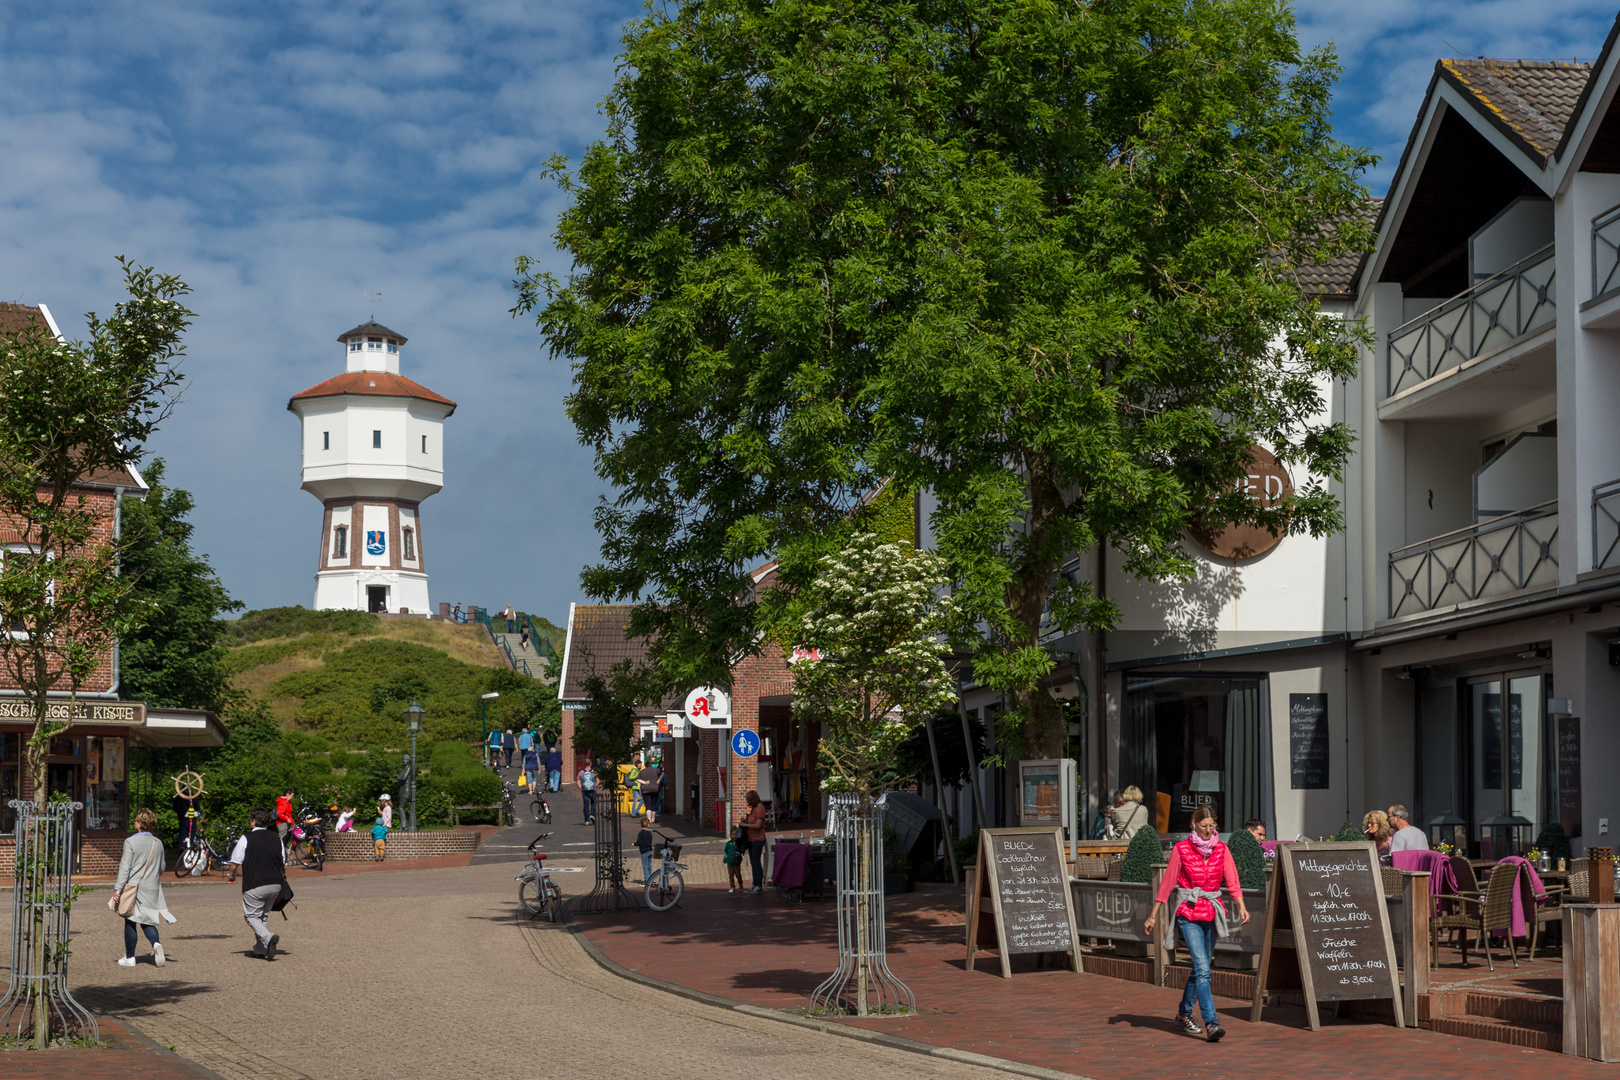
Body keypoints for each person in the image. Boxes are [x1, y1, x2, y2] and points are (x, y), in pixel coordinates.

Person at [1144, 805, 1248, 1043]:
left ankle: (1183, 1013)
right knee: (1203, 970)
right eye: (1204, 826)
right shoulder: (1182, 849)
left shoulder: (1222, 849)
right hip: (1188, 913)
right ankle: (1212, 1023)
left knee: (1200, 970)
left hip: (1211, 912)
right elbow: (1167, 884)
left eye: (1212, 826)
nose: (1208, 830)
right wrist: (1153, 915)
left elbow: (1232, 881)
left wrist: (1241, 906)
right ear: (1194, 824)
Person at [112, 807, 170, 967]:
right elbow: (162, 867)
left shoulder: (130, 842)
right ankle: (156, 944)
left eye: (136, 820)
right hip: (152, 887)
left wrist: (118, 888)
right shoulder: (158, 843)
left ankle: (130, 957)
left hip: (134, 887)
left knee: (130, 920)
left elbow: (125, 867)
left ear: (139, 824)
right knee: (148, 921)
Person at [226, 807, 284, 961]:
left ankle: (269, 937)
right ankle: (260, 949)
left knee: (251, 916)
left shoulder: (246, 838)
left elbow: (235, 861)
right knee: (262, 917)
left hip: (255, 884)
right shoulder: (276, 838)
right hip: (275, 884)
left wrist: (230, 875)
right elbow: (282, 860)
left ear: (253, 822)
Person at [740, 789, 767, 894]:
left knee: (756, 862)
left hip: (757, 839)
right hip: (751, 839)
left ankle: (758, 884)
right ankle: (754, 883)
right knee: (753, 862)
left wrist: (745, 825)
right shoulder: (754, 809)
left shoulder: (760, 809)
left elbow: (758, 825)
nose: (748, 802)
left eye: (749, 800)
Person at [634, 812, 656, 882]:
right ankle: (651, 879)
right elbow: (650, 840)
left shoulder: (641, 833)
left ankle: (647, 880)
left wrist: (634, 844)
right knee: (649, 866)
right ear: (648, 825)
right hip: (650, 850)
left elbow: (639, 842)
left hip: (644, 851)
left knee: (645, 866)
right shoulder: (649, 833)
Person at [275, 789, 295, 862]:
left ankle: (283, 857)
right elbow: (280, 813)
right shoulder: (283, 802)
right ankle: (282, 858)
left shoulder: (287, 802)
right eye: (291, 796)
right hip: (282, 823)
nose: (292, 798)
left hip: (285, 823)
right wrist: (286, 819)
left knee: (284, 840)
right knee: (282, 841)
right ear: (287, 794)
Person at [723, 828, 745, 893]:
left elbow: (741, 851)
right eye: (733, 834)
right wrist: (725, 859)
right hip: (730, 862)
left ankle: (740, 884)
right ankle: (732, 886)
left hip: (736, 862)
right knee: (731, 875)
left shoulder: (738, 843)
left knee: (738, 875)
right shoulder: (728, 843)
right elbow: (726, 851)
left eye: (735, 834)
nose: (734, 836)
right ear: (731, 835)